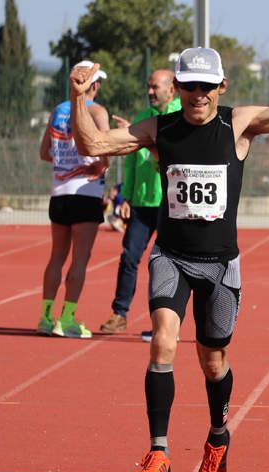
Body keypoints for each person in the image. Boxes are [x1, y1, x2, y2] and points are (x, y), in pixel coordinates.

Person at [68, 45, 269, 472]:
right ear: (177, 88)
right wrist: (79, 98)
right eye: (190, 86)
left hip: (219, 266)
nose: (198, 94)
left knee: (213, 362)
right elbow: (93, 144)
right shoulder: (160, 128)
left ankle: (217, 438)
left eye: (206, 86)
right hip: (171, 257)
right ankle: (159, 453)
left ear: (221, 87)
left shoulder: (238, 124)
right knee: (162, 341)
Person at [100, 69, 182, 335]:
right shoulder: (140, 119)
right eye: (148, 86)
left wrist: (138, 137)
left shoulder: (182, 117)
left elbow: (169, 152)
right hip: (142, 204)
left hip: (171, 204)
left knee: (167, 263)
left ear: (171, 89)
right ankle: (119, 313)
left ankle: (165, 324)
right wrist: (127, 196)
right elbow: (132, 162)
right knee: (129, 258)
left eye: (155, 87)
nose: (149, 92)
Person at [36, 60, 110, 339]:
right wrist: (100, 165)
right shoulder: (98, 111)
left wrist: (66, 160)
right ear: (94, 84)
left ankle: (44, 317)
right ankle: (66, 318)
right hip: (86, 193)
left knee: (56, 257)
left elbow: (45, 152)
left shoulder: (58, 111)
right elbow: (105, 149)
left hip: (59, 193)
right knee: (80, 260)